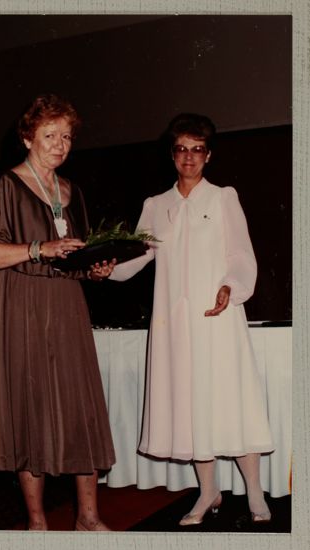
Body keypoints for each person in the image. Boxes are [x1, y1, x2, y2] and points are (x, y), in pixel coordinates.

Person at [109, 113, 274, 525]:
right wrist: (106, 268)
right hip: (175, 328)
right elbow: (137, 256)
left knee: (229, 403)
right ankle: (208, 492)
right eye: (181, 148)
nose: (189, 157)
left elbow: (241, 255)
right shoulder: (156, 205)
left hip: (217, 321)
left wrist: (229, 287)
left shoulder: (223, 198)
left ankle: (254, 492)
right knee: (190, 406)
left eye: (197, 149)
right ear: (172, 154)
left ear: (208, 155)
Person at [0, 93, 116, 531]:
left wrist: (96, 268)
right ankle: (37, 523)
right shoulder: (8, 186)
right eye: (50, 135)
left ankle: (88, 518)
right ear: (28, 138)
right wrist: (38, 248)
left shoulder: (72, 191)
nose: (60, 144)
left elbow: (77, 255)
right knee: (29, 409)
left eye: (67, 136)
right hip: (24, 306)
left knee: (82, 407)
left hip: (68, 304)